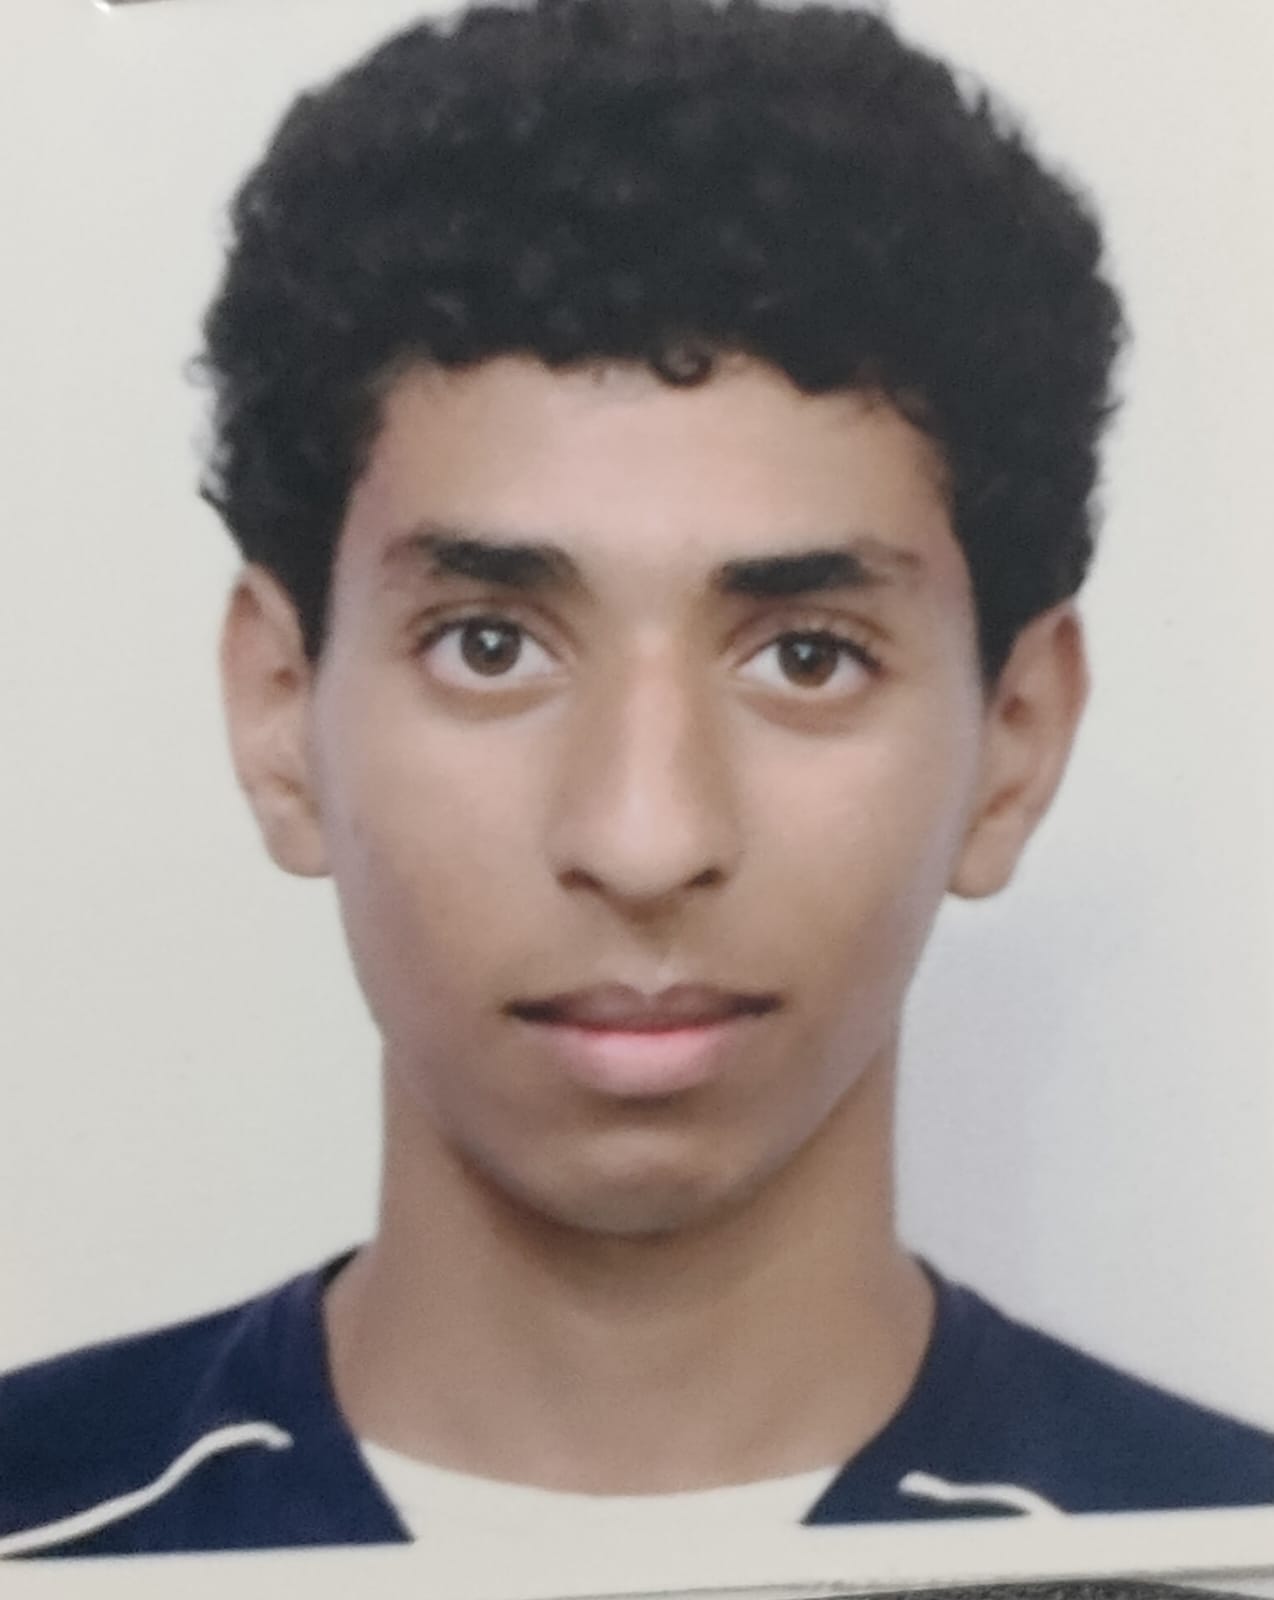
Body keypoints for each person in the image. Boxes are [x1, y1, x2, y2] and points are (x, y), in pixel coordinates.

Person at [2, 0, 1271, 1563]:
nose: (644, 835)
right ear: (281, 714)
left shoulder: (1225, 1556)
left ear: (1012, 742)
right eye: (488, 645)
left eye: (805, 657)